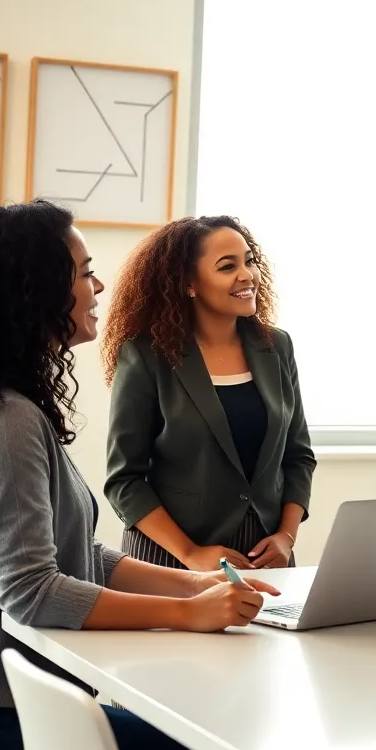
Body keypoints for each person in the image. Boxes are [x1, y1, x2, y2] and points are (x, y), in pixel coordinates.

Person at [0, 201, 280, 750]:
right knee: (223, 742)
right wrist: (187, 615)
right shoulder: (3, 421)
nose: (98, 284)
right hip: (1, 720)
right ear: (34, 291)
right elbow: (32, 592)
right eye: (82, 271)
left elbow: (76, 556)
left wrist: (193, 586)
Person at [102, 216, 316, 571]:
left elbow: (298, 456)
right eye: (227, 266)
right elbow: (124, 481)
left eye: (249, 261)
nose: (247, 274)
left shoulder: (276, 346)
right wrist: (189, 553)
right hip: (171, 559)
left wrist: (286, 538)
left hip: (264, 558)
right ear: (189, 284)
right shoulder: (146, 355)